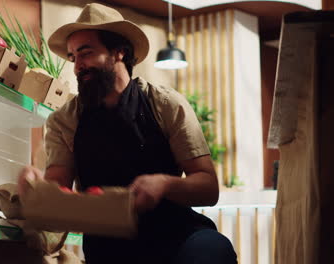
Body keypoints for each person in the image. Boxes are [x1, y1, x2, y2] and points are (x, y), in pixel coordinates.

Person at [19, 3, 237, 264]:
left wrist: (165, 184)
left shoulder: (165, 104)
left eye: (86, 53)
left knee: (212, 250)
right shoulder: (65, 120)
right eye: (73, 57)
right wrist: (37, 188)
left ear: (119, 52)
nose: (78, 66)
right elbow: (59, 188)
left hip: (176, 235)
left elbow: (208, 187)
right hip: (109, 246)